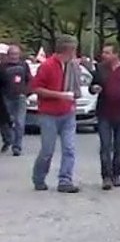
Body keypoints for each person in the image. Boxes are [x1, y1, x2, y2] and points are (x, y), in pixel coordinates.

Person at [30, 35, 84, 193]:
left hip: (68, 112)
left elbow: (76, 88)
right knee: (47, 150)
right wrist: (60, 95)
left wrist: (72, 99)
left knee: (69, 149)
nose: (75, 52)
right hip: (48, 114)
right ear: (68, 49)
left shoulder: (72, 66)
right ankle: (38, 178)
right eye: (74, 49)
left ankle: (65, 181)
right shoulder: (47, 66)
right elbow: (36, 88)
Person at [89, 44, 120, 190]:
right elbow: (93, 86)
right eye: (104, 52)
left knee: (119, 146)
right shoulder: (100, 69)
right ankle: (106, 177)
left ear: (116, 55)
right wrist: (94, 89)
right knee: (105, 146)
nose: (104, 55)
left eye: (108, 53)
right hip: (104, 112)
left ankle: (116, 174)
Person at [2, 44, 30, 155]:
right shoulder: (2, 67)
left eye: (16, 54)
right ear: (8, 55)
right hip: (6, 98)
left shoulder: (24, 65)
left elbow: (29, 79)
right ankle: (8, 139)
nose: (14, 56)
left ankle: (17, 147)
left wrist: (27, 92)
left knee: (20, 122)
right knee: (5, 122)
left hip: (20, 98)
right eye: (12, 54)